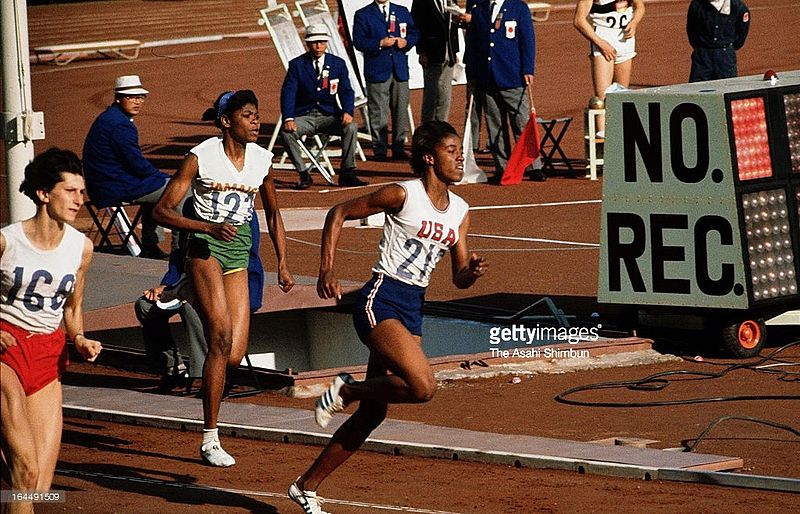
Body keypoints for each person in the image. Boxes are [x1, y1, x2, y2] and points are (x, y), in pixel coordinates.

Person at [287, 121, 487, 513]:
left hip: (413, 307)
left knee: (374, 412)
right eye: (451, 149)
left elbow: (459, 276)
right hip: (381, 298)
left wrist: (471, 271)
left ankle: (305, 487)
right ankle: (344, 390)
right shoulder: (403, 194)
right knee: (422, 387)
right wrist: (327, 268)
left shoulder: (461, 211)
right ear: (430, 157)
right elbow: (339, 211)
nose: (459, 156)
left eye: (459, 150)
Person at [153, 90, 295, 467]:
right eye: (248, 115)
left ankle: (185, 291)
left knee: (233, 353)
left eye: (257, 115)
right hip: (204, 247)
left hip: (238, 251)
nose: (256, 121)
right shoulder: (201, 157)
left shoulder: (262, 160)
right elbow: (162, 211)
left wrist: (282, 262)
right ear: (226, 121)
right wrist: (206, 227)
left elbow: (275, 215)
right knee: (219, 337)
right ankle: (210, 437)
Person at [1, 148, 102, 512]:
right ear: (44, 194)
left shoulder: (81, 248)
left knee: (37, 486)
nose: (80, 200)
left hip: (48, 355)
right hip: (6, 351)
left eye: (82, 191)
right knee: (24, 470)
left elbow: (72, 307)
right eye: (70, 191)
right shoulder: (6, 241)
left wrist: (79, 337)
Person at [135, 206, 264, 392]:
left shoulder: (241, 210)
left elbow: (248, 260)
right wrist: (167, 284)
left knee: (193, 305)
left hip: (231, 286)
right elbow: (178, 254)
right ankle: (173, 367)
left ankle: (203, 375)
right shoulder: (189, 209)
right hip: (188, 282)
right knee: (145, 306)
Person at [83, 75, 176, 259]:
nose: (137, 102)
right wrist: (163, 177)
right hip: (114, 187)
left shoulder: (110, 118)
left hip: (104, 184)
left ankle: (151, 244)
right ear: (118, 98)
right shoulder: (120, 125)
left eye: (140, 97)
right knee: (174, 190)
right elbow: (137, 164)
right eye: (131, 97)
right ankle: (180, 247)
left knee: (160, 187)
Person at [465, 0, 545, 182]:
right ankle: (502, 166)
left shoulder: (518, 7)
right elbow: (473, 44)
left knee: (521, 122)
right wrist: (472, 74)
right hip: (487, 76)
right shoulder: (480, 9)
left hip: (512, 75)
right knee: (495, 125)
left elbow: (527, 39)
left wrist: (527, 69)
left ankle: (533, 165)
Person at [281, 24, 367, 189]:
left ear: (327, 43)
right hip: (305, 115)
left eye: (321, 42)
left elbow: (346, 91)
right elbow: (288, 93)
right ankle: (303, 173)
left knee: (351, 127)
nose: (318, 46)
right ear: (307, 44)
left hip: (329, 115)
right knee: (287, 133)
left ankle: (347, 171)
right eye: (314, 42)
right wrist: (289, 118)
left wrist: (348, 111)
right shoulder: (297, 65)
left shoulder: (338, 64)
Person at [352, 0, 419, 161]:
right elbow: (358, 41)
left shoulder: (401, 11)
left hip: (399, 69)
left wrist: (407, 41)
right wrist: (379, 43)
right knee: (378, 111)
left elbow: (414, 32)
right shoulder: (363, 14)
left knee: (401, 109)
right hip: (377, 69)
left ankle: (398, 146)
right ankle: (379, 149)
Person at [574, 0, 645, 136]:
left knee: (620, 95)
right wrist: (601, 43)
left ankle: (620, 138)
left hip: (625, 40)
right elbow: (579, 20)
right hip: (603, 40)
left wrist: (634, 22)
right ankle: (603, 141)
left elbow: (640, 6)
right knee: (602, 99)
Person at [411, 0, 468, 123]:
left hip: (449, 53)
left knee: (445, 96)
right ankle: (427, 129)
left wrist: (455, 50)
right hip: (432, 53)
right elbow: (416, 24)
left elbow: (452, 26)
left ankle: (442, 127)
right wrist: (421, 52)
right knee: (431, 96)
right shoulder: (421, 2)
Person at [687, 0, 750, 82]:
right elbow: (691, 29)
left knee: (727, 87)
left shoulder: (737, 7)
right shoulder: (697, 4)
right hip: (703, 54)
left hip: (725, 55)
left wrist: (728, 47)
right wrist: (701, 48)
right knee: (696, 89)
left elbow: (742, 32)